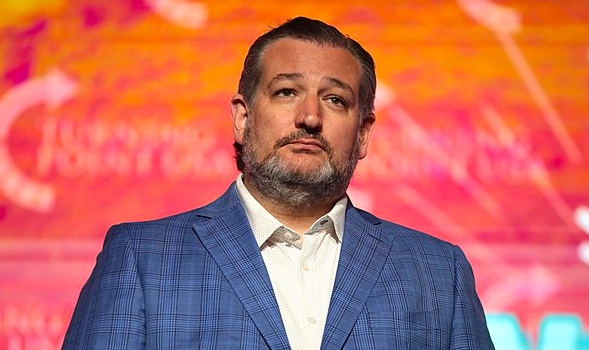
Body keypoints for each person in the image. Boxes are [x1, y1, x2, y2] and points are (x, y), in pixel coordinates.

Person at [63, 17, 494, 349]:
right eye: (287, 92)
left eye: (335, 99)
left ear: (363, 133)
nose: (309, 117)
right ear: (243, 117)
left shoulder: (438, 273)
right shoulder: (142, 258)